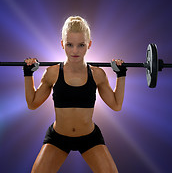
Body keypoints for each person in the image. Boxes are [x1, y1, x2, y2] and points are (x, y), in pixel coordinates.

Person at [24, 16, 126, 173]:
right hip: (58, 137)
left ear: (89, 45)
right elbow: (32, 104)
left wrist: (121, 75)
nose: (75, 51)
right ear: (62, 44)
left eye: (81, 45)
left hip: (89, 137)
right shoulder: (52, 73)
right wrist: (28, 74)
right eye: (70, 45)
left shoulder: (97, 74)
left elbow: (116, 105)